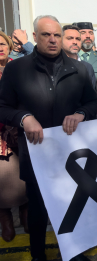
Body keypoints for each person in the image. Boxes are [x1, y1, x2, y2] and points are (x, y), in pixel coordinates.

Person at [0, 15, 97, 261]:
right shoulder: (16, 69)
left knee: (71, 205)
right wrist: (24, 117)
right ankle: (38, 256)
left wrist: (81, 113)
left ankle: (72, 252)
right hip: (35, 152)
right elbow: (2, 106)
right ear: (34, 37)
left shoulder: (79, 69)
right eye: (46, 35)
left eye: (56, 34)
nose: (52, 40)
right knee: (38, 208)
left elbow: (93, 102)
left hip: (71, 151)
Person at [0, 30, 29, 243]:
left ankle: (27, 215)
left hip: (21, 129)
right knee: (4, 179)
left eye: (2, 43)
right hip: (0, 135)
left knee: (25, 175)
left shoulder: (19, 66)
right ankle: (6, 220)